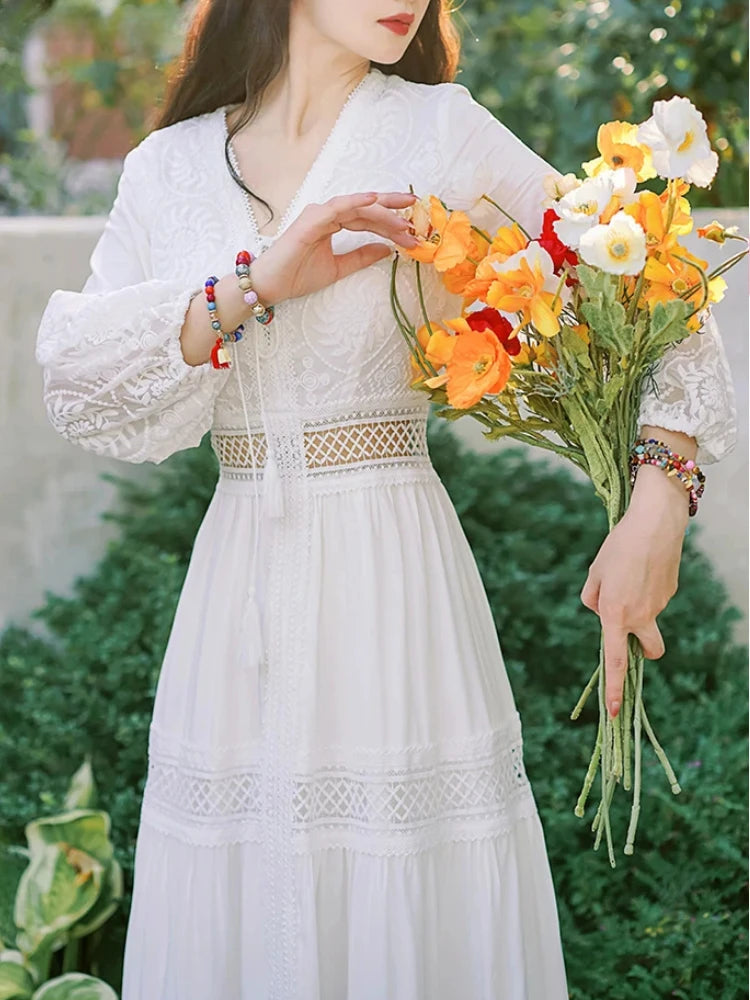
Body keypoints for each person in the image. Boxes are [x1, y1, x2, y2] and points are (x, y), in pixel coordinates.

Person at [34, 1, 738, 997]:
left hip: (392, 581)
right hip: (237, 595)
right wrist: (258, 280)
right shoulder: (170, 167)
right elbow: (81, 381)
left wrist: (658, 508)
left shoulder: (439, 131)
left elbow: (659, 301)